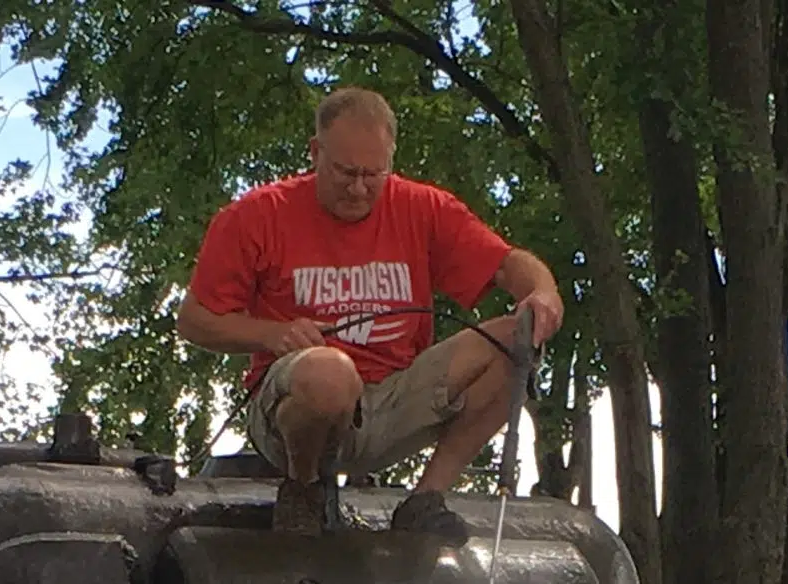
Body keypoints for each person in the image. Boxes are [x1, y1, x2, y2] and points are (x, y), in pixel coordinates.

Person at [176, 86, 566, 542]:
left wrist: (543, 292)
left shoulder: (423, 209)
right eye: (345, 172)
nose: (359, 188)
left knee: (516, 337)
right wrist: (271, 334)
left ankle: (426, 500)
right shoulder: (257, 215)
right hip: (294, 407)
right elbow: (194, 320)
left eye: (373, 174)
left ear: (390, 160)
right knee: (329, 374)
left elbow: (507, 263)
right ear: (315, 152)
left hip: (393, 399)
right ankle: (304, 491)